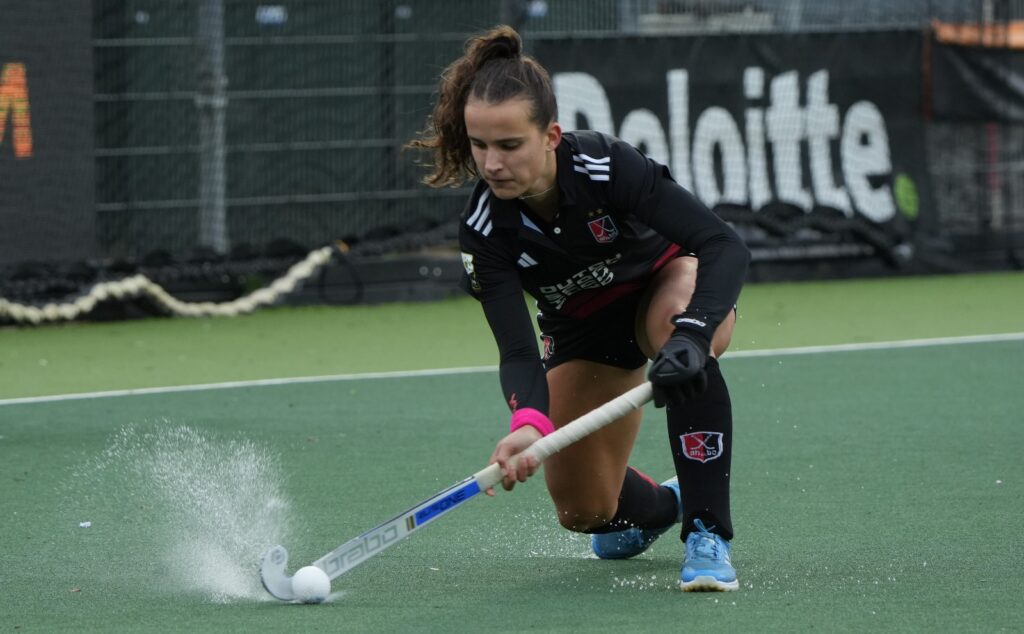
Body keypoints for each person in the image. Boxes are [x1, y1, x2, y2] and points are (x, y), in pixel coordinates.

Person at [408, 25, 750, 592]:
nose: (491, 164)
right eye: (479, 145)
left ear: (550, 136)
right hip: (583, 332)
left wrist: (693, 335)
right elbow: (518, 352)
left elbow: (722, 244)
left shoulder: (605, 166)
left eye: (509, 145)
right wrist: (527, 423)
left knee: (678, 338)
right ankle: (668, 504)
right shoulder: (485, 232)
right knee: (586, 512)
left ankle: (707, 530)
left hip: (664, 289)